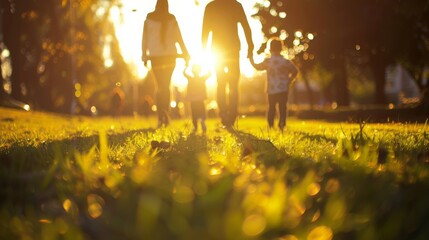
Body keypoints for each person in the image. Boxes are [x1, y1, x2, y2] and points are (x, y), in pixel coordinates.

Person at [202, 0, 254, 127]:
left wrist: (203, 50)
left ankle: (225, 114)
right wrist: (250, 46)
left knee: (222, 83)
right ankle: (231, 115)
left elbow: (205, 31)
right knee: (233, 84)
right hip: (230, 49)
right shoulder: (235, 5)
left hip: (219, 49)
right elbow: (246, 26)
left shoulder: (211, 6)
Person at [142, 0, 189, 127]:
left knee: (160, 87)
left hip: (155, 57)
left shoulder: (148, 19)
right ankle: (165, 116)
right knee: (166, 86)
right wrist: (185, 53)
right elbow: (179, 38)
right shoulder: (172, 18)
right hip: (170, 57)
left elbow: (144, 39)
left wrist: (144, 55)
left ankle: (161, 117)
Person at [250, 38, 298, 131]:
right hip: (283, 88)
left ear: (270, 48)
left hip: (271, 89)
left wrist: (251, 59)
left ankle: (271, 125)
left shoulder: (268, 61)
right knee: (282, 107)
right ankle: (282, 125)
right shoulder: (285, 61)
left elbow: (257, 67)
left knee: (271, 108)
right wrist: (289, 80)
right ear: (281, 48)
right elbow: (295, 71)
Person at [183, 64, 211, 133]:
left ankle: (195, 127)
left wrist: (186, 67)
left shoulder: (190, 78)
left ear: (192, 71)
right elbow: (209, 73)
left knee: (194, 114)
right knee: (202, 112)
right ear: (200, 71)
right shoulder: (202, 78)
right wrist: (207, 67)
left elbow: (184, 73)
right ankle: (202, 120)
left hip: (193, 100)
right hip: (201, 99)